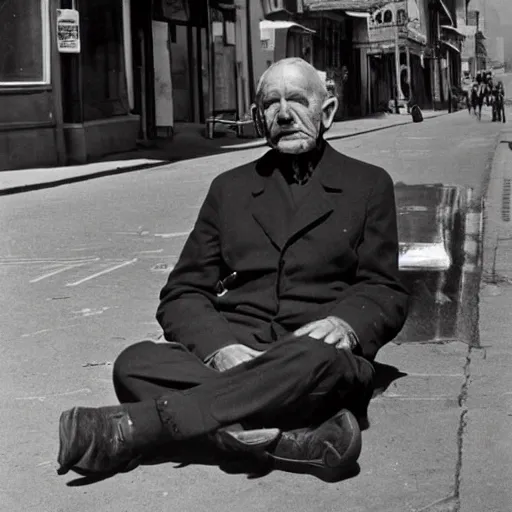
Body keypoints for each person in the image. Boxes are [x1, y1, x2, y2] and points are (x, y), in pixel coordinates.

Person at [57, 57, 409, 482]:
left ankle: (138, 426)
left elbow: (385, 289)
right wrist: (219, 348)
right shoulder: (230, 188)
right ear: (259, 118)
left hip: (309, 355)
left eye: (298, 101)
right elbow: (183, 292)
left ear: (327, 112)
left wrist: (346, 323)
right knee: (133, 363)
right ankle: (286, 443)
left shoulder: (368, 184)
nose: (284, 114)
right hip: (238, 350)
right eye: (271, 104)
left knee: (319, 359)